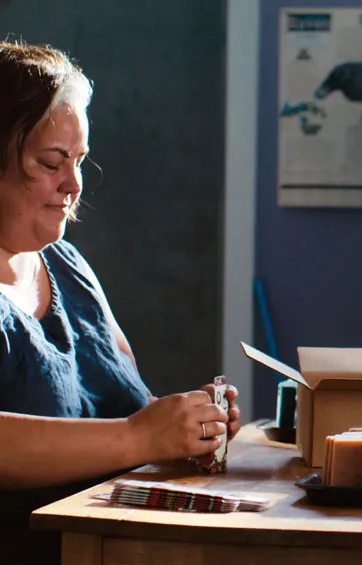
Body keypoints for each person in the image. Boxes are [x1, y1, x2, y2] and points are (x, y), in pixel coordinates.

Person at [0, 41, 242, 564]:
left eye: (79, 161)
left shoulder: (68, 266)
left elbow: (128, 408)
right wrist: (139, 438)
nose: (73, 184)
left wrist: (187, 425)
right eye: (51, 162)